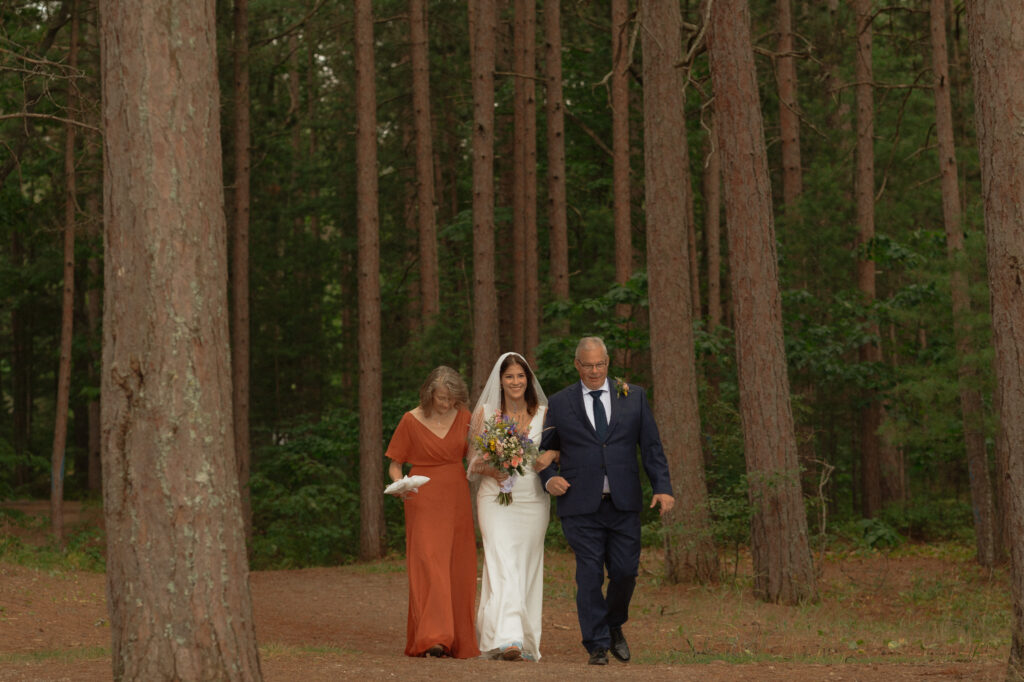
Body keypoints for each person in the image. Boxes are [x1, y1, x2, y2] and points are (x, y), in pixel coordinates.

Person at [538, 337, 675, 666]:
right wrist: (548, 479)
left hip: (623, 502)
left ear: (608, 363)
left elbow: (651, 446)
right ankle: (596, 644)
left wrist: (663, 486)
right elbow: (544, 451)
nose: (595, 371)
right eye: (588, 365)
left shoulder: (634, 396)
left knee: (625, 572)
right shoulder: (559, 402)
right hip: (579, 505)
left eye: (600, 364)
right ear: (577, 365)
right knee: (588, 574)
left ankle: (614, 625)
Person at [385, 366, 480, 659]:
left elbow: (475, 456)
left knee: (456, 565)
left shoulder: (465, 416)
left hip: (456, 497)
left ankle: (458, 638)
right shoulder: (410, 420)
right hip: (422, 497)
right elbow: (394, 463)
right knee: (429, 563)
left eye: (452, 399)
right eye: (441, 398)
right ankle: (434, 637)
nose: (447, 404)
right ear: (429, 394)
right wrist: (399, 485)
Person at [467, 352, 555, 662]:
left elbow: (559, 450)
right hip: (494, 498)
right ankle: (509, 638)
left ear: (528, 379)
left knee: (527, 565)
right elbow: (473, 464)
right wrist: (494, 468)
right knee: (501, 560)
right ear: (500, 381)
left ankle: (526, 638)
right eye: (509, 377)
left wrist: (552, 456)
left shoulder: (545, 414)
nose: (515, 382)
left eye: (520, 376)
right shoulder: (486, 414)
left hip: (532, 498)